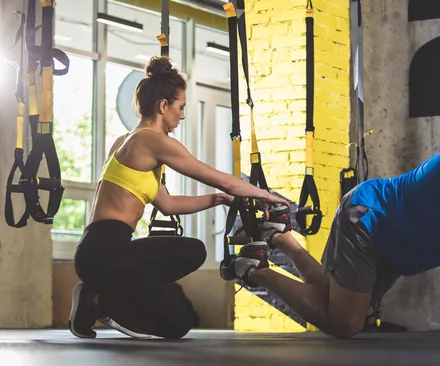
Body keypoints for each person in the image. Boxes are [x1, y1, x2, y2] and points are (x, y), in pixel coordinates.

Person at [221, 106, 440, 341]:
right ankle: (253, 270)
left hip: (399, 249)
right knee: (345, 324)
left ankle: (281, 239)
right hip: (369, 219)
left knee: (336, 301)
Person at [69, 56, 288, 339]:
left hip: (103, 250)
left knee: (193, 250)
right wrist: (265, 195)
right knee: (178, 324)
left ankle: (99, 292)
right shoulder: (151, 141)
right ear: (163, 106)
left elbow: (168, 204)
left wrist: (219, 199)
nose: (182, 115)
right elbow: (217, 176)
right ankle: (98, 299)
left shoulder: (130, 142)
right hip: (104, 254)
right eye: (180, 107)